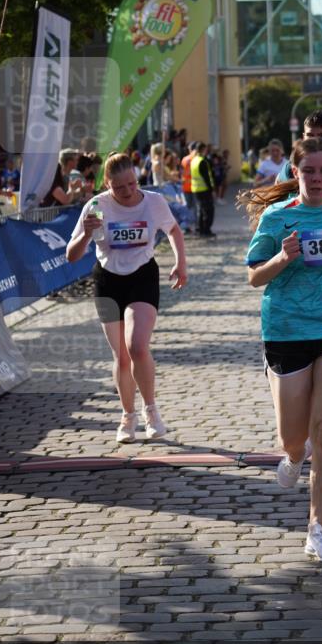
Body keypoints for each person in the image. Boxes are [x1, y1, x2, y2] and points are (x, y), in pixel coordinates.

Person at [241, 137, 322, 561]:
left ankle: (318, 528)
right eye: (308, 171)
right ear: (294, 173)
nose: (316, 179)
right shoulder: (276, 217)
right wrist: (281, 259)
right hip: (286, 328)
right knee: (294, 437)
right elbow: (254, 278)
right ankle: (293, 456)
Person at [66, 152, 187, 443]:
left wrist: (180, 262)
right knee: (121, 356)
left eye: (132, 184)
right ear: (107, 184)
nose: (129, 191)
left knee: (136, 346)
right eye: (120, 187)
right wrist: (86, 235)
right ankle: (127, 417)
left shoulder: (154, 201)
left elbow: (173, 230)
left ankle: (151, 411)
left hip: (142, 275)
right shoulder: (96, 206)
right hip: (107, 280)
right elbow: (72, 255)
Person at [190, 141, 216, 237]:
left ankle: (200, 229)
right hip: (204, 189)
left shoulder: (194, 160)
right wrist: (211, 189)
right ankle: (206, 230)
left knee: (200, 210)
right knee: (208, 210)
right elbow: (206, 178)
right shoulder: (202, 161)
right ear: (204, 149)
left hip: (195, 189)